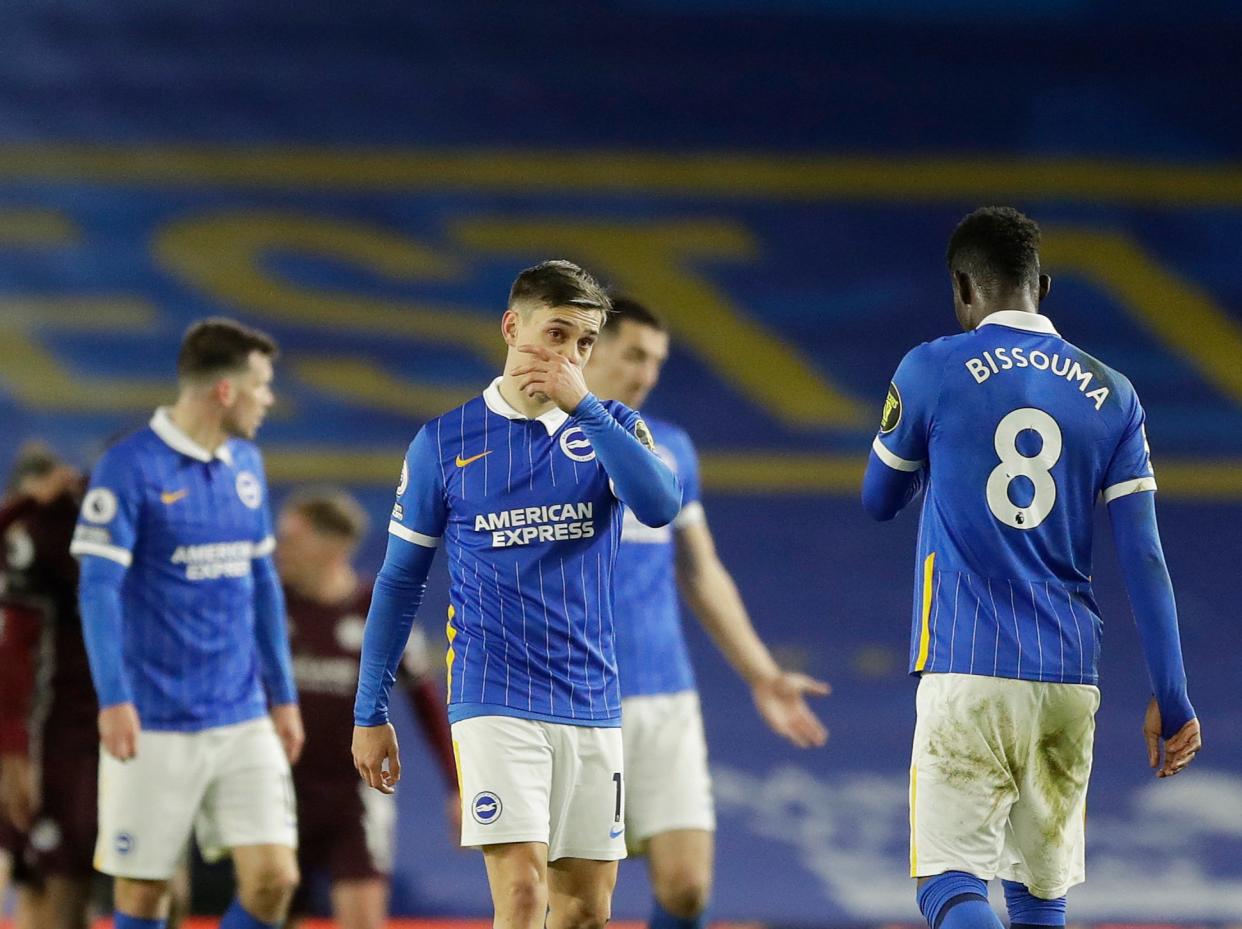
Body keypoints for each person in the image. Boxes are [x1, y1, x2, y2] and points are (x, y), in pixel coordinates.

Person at [861, 207, 1201, 929]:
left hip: (967, 663)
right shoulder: (1114, 391)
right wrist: (1172, 695)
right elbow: (1144, 556)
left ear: (962, 287)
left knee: (948, 883)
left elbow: (878, 499)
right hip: (1067, 677)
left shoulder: (930, 367)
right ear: (1042, 285)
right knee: (1038, 896)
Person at [352, 260, 682, 929]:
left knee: (586, 910)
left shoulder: (610, 424)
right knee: (524, 895)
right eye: (556, 334)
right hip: (493, 696)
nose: (569, 355)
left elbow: (660, 505)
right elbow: (398, 580)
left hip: (590, 696)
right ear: (512, 326)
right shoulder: (444, 442)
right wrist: (370, 708)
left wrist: (584, 406)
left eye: (585, 343)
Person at [583, 297, 829, 929]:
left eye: (657, 361)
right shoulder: (535, 443)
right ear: (590, 346)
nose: (647, 373)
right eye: (634, 354)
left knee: (687, 888)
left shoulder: (668, 448)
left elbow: (701, 570)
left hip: (665, 694)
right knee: (579, 905)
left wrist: (762, 674)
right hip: (572, 701)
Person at [70, 317, 303, 929]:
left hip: (241, 712)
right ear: (225, 391)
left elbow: (262, 586)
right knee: (144, 897)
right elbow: (98, 589)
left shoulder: (246, 465)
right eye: (262, 385)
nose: (269, 399)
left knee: (276, 879)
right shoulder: (129, 468)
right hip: (153, 719)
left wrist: (282, 697)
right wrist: (114, 699)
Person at [275, 488, 458, 929]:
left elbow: (427, 705)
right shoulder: (271, 606)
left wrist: (458, 785)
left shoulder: (379, 611)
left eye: (292, 539)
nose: (280, 550)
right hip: (278, 791)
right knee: (275, 906)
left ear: (332, 545)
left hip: (352, 797)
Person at [0, 445, 96, 929]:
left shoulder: (51, 571)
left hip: (36, 733)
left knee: (41, 874)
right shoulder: (20, 555)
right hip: (22, 736)